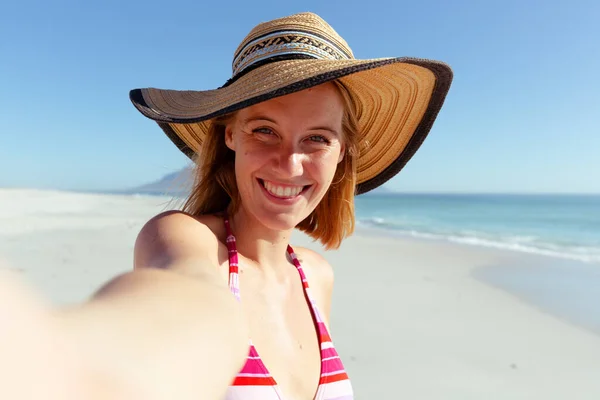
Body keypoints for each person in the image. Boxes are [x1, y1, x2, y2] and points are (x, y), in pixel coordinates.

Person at [0, 11, 452, 400]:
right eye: (264, 130)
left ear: (342, 152)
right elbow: (181, 306)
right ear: (230, 135)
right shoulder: (185, 239)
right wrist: (69, 365)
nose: (289, 163)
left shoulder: (317, 276)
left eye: (317, 138)